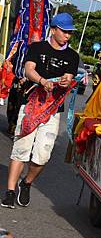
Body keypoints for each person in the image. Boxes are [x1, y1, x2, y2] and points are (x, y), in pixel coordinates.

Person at [1, 13, 79, 209]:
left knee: (43, 154)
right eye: (64, 31)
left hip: (53, 110)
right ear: (53, 29)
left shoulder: (72, 56)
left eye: (70, 32)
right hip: (30, 105)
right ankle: (10, 191)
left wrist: (65, 81)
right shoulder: (37, 48)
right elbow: (29, 69)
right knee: (21, 148)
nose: (67, 36)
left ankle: (26, 183)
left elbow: (69, 77)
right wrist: (42, 81)